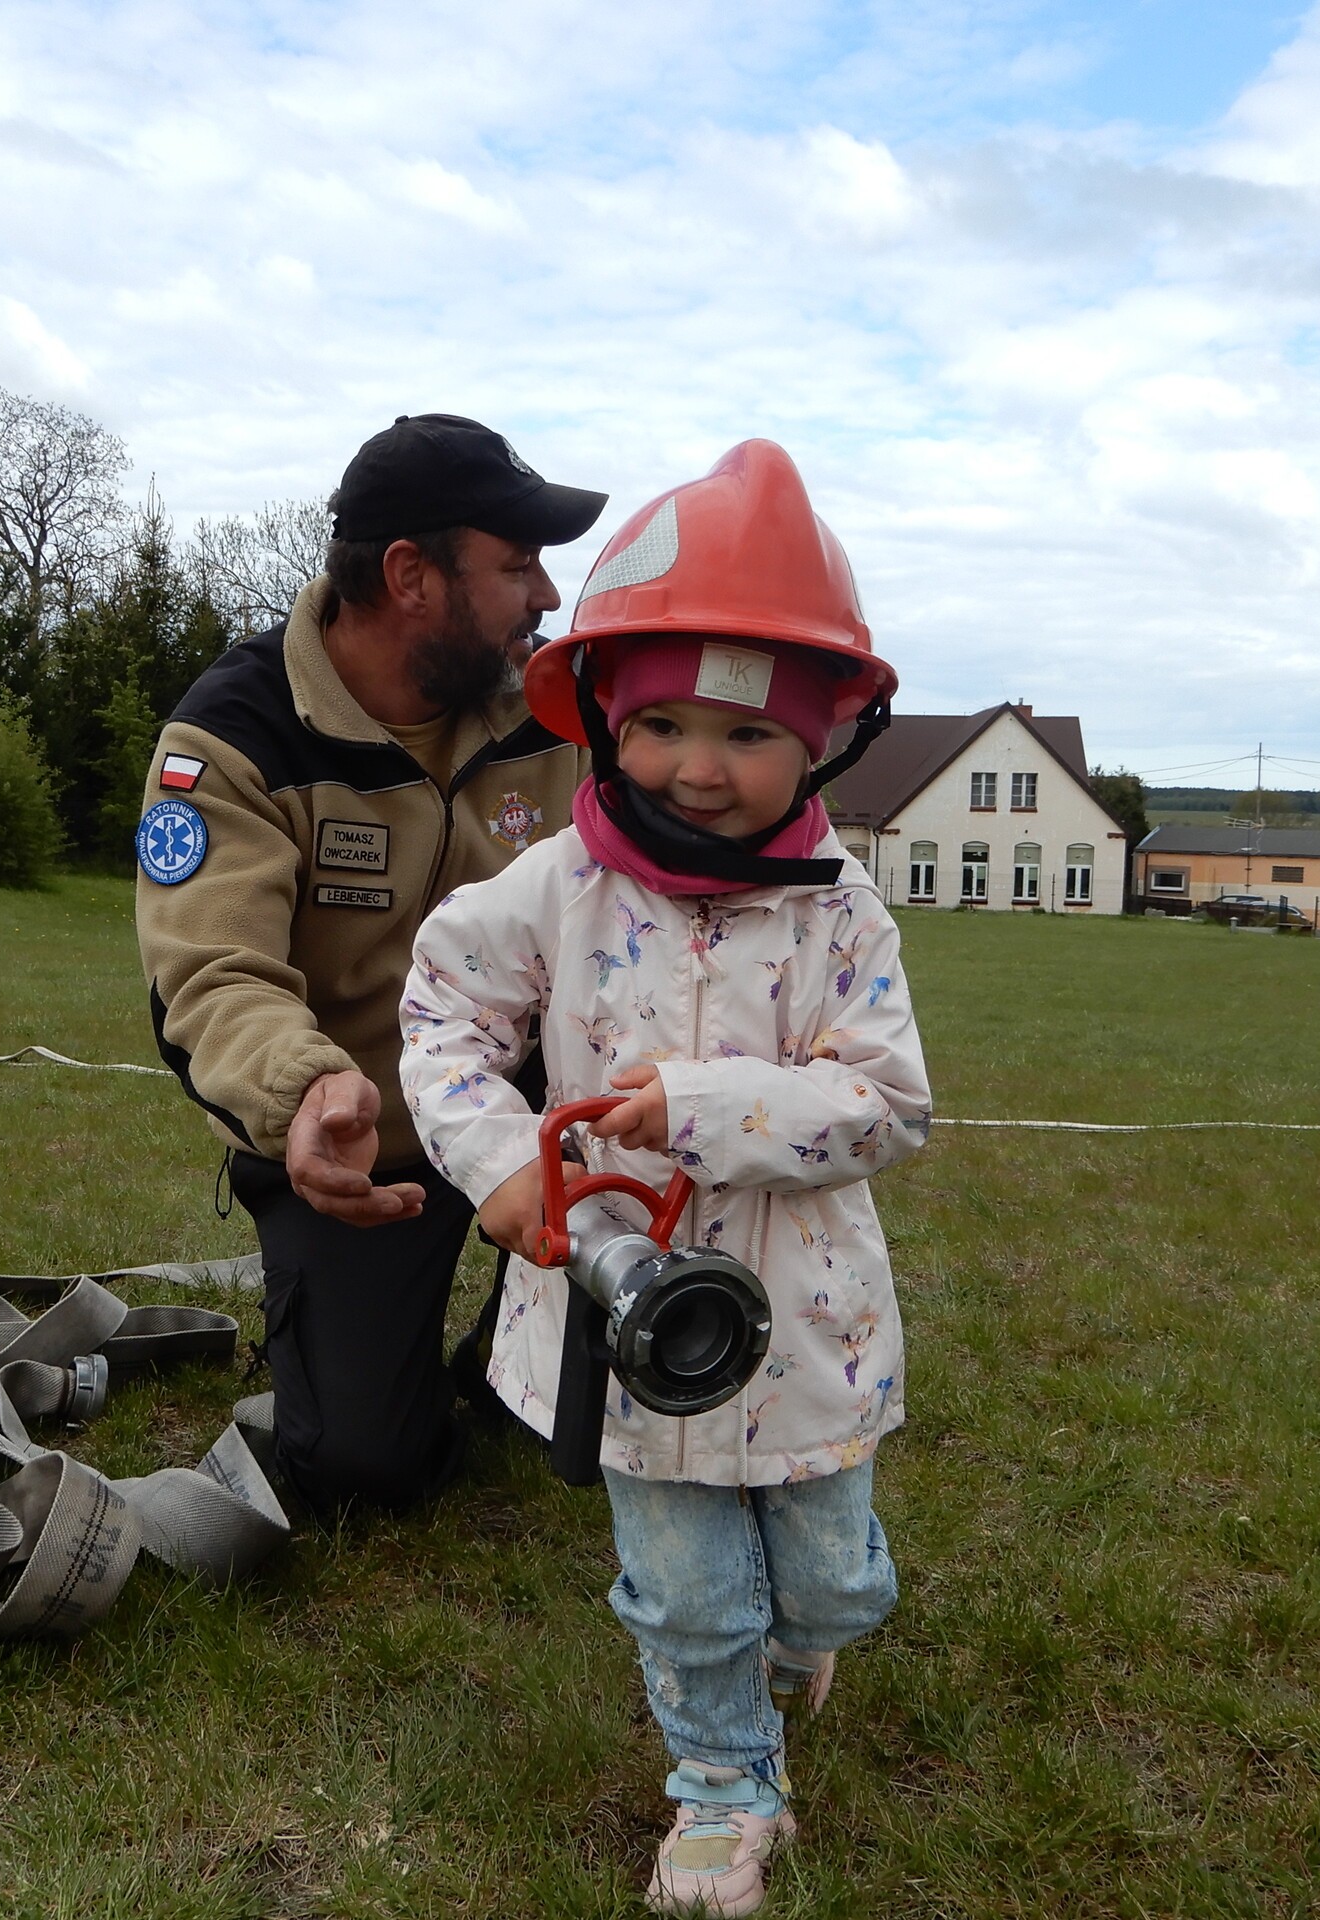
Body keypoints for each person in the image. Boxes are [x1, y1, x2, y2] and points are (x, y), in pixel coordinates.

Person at [396, 440, 930, 1917]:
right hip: (622, 1320)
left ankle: (805, 1636)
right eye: (664, 725)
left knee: (832, 1586)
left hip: (807, 1323)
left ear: (819, 742)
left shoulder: (842, 913)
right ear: (606, 720)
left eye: (748, 733)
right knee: (690, 1589)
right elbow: (441, 1014)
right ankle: (723, 1784)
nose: (700, 765)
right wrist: (499, 1165)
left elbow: (887, 1105)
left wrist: (693, 1108)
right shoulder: (555, 887)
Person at [135, 414, 604, 1512]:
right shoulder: (234, 736)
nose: (545, 595)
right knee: (362, 1467)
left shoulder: (560, 713)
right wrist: (306, 1091)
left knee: (590, 1401)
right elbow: (211, 973)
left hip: (538, 1113)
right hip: (361, 1142)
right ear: (409, 576)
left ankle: (515, 1356)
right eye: (516, 565)